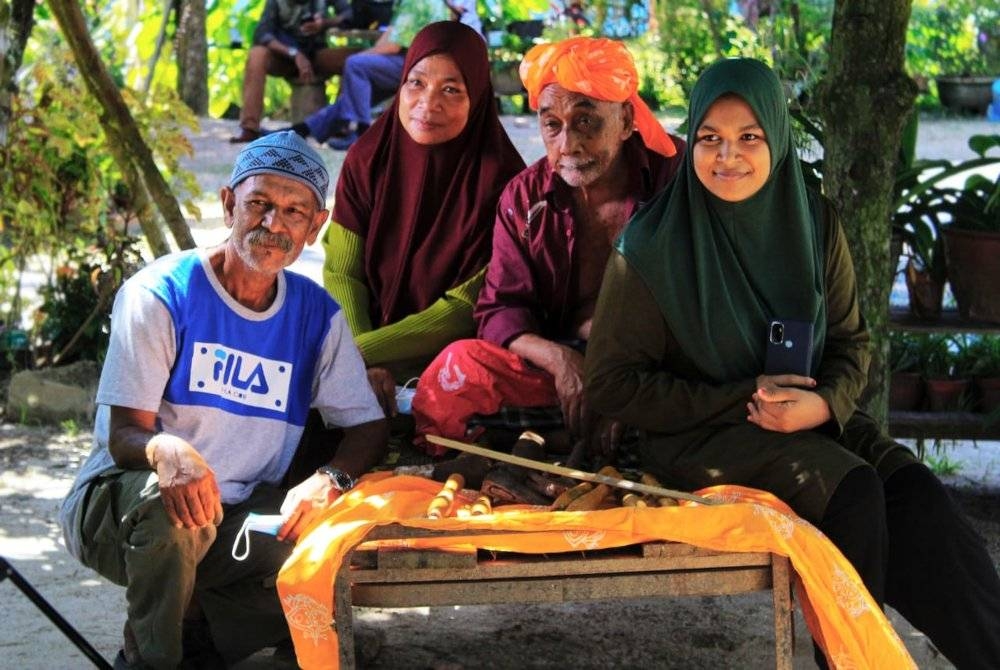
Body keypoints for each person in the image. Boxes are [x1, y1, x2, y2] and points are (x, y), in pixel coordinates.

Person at [585, 57, 1000, 669]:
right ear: (690, 140)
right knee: (855, 494)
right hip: (699, 434)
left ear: (776, 139)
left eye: (748, 137)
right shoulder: (651, 246)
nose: (728, 157)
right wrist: (740, 396)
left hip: (813, 421)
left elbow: (852, 343)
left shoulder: (813, 221)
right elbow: (611, 385)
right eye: (709, 139)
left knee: (918, 498)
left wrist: (825, 404)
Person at [58, 131, 388, 669]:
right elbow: (123, 435)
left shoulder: (316, 315)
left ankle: (199, 630)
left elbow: (367, 428)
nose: (273, 224)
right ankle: (151, 659)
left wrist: (330, 482)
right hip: (123, 511)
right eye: (258, 203)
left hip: (235, 521)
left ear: (315, 226)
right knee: (174, 512)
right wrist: (166, 449)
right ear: (229, 203)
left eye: (293, 211)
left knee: (331, 546)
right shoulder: (161, 292)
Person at [411, 36, 684, 454]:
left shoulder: (676, 178)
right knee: (454, 375)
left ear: (627, 121)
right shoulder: (523, 198)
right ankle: (593, 434)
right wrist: (561, 362)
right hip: (563, 365)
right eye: (551, 124)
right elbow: (500, 308)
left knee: (702, 391)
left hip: (657, 364)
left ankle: (562, 436)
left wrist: (623, 385)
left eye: (586, 121)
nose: (567, 145)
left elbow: (701, 299)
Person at [317, 21, 523, 424]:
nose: (428, 103)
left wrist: (357, 353)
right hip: (363, 351)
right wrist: (362, 360)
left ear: (477, 98)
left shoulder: (502, 183)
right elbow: (343, 272)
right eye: (416, 84)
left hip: (451, 366)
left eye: (451, 89)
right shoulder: (369, 157)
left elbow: (466, 307)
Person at [291, 0, 482, 150]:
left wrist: (357, 58)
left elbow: (392, 46)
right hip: (423, 64)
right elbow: (390, 36)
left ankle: (361, 132)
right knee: (358, 90)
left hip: (419, 66)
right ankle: (303, 129)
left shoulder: (416, 2)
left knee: (356, 65)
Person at [230, 0, 360, 143]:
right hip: (284, 57)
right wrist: (294, 54)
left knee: (357, 60)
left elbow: (350, 14)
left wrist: (324, 23)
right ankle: (250, 128)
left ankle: (338, 123)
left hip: (316, 54)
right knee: (257, 55)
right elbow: (262, 34)